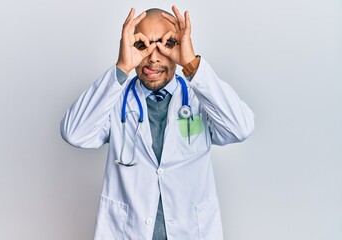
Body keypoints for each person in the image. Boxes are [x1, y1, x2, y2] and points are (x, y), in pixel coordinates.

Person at [60, 6, 254, 240]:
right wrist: (122, 68)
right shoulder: (115, 100)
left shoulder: (199, 99)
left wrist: (192, 64)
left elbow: (240, 128)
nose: (153, 57)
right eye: (142, 45)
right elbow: (74, 133)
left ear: (180, 46)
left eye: (167, 44)